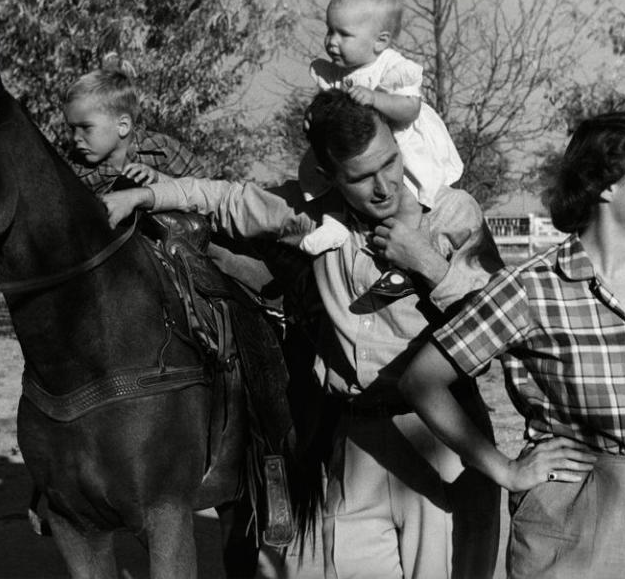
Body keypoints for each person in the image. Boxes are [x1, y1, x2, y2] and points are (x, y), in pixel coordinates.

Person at [103, 89, 503, 579]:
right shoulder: (315, 217)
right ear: (333, 177)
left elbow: (495, 328)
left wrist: (427, 262)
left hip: (439, 436)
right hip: (354, 438)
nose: (384, 187)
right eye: (361, 177)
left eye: (389, 163)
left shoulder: (452, 213)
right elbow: (227, 197)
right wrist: (144, 194)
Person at [398, 111, 625, 579]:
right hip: (572, 514)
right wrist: (504, 470)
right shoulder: (527, 288)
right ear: (605, 183)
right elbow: (422, 380)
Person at [298, 0, 464, 300]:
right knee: (330, 175)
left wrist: (375, 99)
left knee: (409, 196)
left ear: (380, 41)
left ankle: (402, 264)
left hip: (399, 141)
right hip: (361, 147)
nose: (332, 42)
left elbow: (410, 107)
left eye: (343, 34)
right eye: (329, 31)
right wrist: (315, 118)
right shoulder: (335, 73)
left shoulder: (392, 67)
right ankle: (335, 225)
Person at [62, 63, 207, 195]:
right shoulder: (75, 171)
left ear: (123, 126)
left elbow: (205, 193)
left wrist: (160, 180)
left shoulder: (161, 149)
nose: (76, 138)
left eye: (86, 128)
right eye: (73, 129)